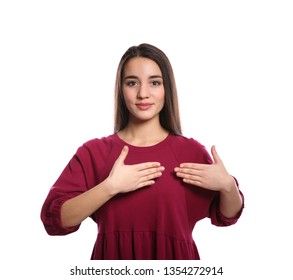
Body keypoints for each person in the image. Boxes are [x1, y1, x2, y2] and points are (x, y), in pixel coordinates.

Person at [41, 43, 244, 260]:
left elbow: (226, 215)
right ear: (121, 89)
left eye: (154, 82)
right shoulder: (94, 152)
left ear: (167, 89)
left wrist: (228, 186)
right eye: (132, 83)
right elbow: (55, 221)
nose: (143, 94)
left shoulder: (190, 151)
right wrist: (110, 187)